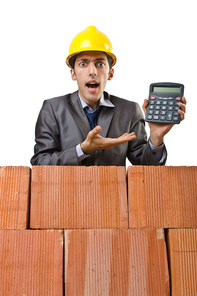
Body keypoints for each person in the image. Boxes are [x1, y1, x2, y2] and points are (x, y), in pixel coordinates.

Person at [30, 26, 186, 166]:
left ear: (110, 73)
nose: (92, 71)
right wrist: (82, 149)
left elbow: (145, 169)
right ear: (73, 73)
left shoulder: (129, 110)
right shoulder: (52, 109)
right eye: (83, 64)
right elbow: (40, 162)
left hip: (113, 196)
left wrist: (156, 138)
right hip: (65, 197)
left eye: (100, 63)